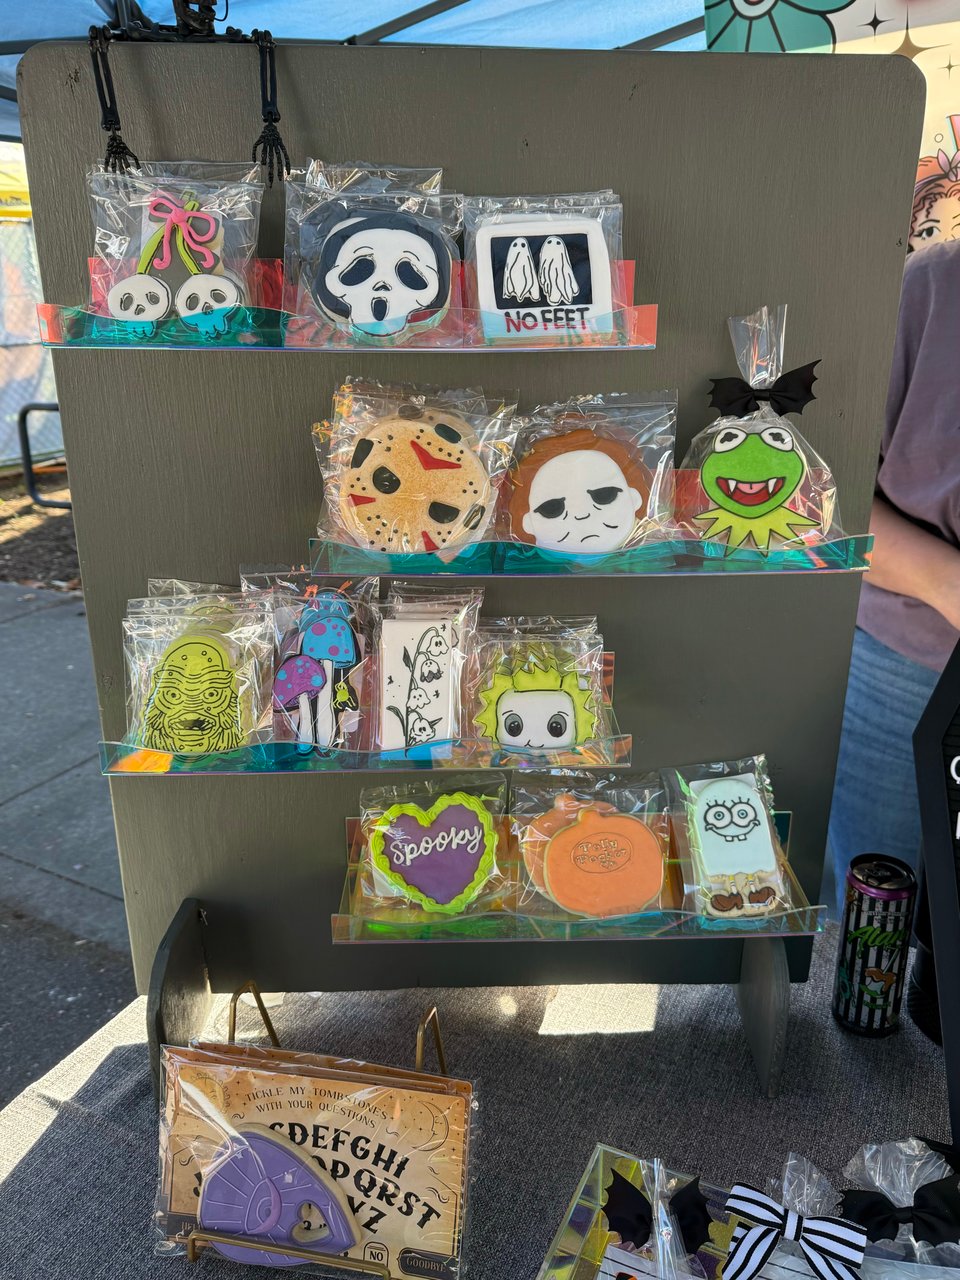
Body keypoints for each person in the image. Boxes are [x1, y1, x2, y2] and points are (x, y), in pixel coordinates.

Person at [828, 238, 960, 905]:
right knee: (875, 913)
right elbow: (820, 497)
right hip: (907, 665)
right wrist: (946, 583)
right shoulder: (931, 287)